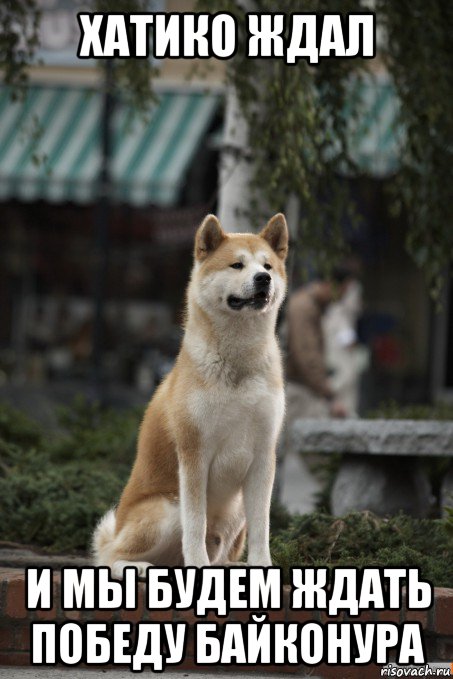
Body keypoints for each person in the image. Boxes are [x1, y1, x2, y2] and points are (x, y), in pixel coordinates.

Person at [285, 270, 352, 422]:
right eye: (343, 291)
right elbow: (307, 355)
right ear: (331, 285)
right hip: (298, 390)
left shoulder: (310, 305)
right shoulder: (304, 307)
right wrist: (328, 395)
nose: (341, 298)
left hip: (303, 387)